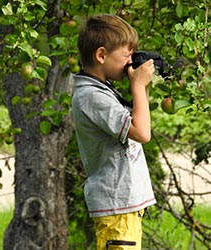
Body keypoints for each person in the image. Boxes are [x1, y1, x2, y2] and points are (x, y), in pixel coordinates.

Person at [72, 14, 156, 250]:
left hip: (123, 206)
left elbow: (138, 121)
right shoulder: (91, 96)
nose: (131, 62)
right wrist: (138, 86)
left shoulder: (102, 90)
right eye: (127, 56)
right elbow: (142, 132)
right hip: (116, 207)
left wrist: (141, 87)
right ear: (101, 55)